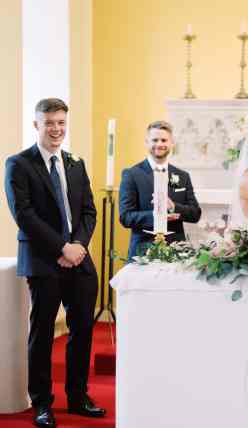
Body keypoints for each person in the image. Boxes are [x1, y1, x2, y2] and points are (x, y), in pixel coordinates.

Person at [4, 98, 106, 428]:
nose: (56, 129)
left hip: (79, 261)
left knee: (82, 331)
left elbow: (89, 210)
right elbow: (25, 215)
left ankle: (78, 397)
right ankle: (42, 404)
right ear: (37, 125)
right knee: (43, 333)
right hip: (43, 262)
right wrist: (61, 246)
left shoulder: (75, 163)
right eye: (49, 122)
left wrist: (77, 246)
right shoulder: (18, 164)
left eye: (61, 122)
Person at [119, 120, 201, 259]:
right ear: (146, 142)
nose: (159, 144)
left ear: (171, 143)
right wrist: (158, 217)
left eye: (164, 140)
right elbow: (125, 217)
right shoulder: (131, 174)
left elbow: (195, 214)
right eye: (155, 140)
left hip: (177, 253)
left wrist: (174, 206)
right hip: (142, 252)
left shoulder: (182, 176)